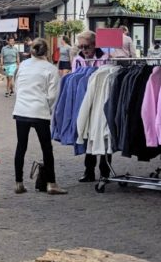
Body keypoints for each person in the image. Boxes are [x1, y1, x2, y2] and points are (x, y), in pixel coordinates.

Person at [12, 37, 67, 195]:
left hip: (21, 110)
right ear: (47, 51)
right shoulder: (50, 69)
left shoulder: (22, 65)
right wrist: (46, 108)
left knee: (21, 146)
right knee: (46, 148)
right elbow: (52, 95)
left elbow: (17, 87)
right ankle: (51, 183)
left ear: (31, 51)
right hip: (39, 111)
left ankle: (18, 182)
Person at [73, 30, 112, 181]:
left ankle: (105, 171)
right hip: (85, 99)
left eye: (86, 46)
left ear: (95, 44)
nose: (84, 50)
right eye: (81, 47)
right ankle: (89, 171)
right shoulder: (78, 59)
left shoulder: (106, 58)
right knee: (88, 134)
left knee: (103, 134)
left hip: (101, 99)